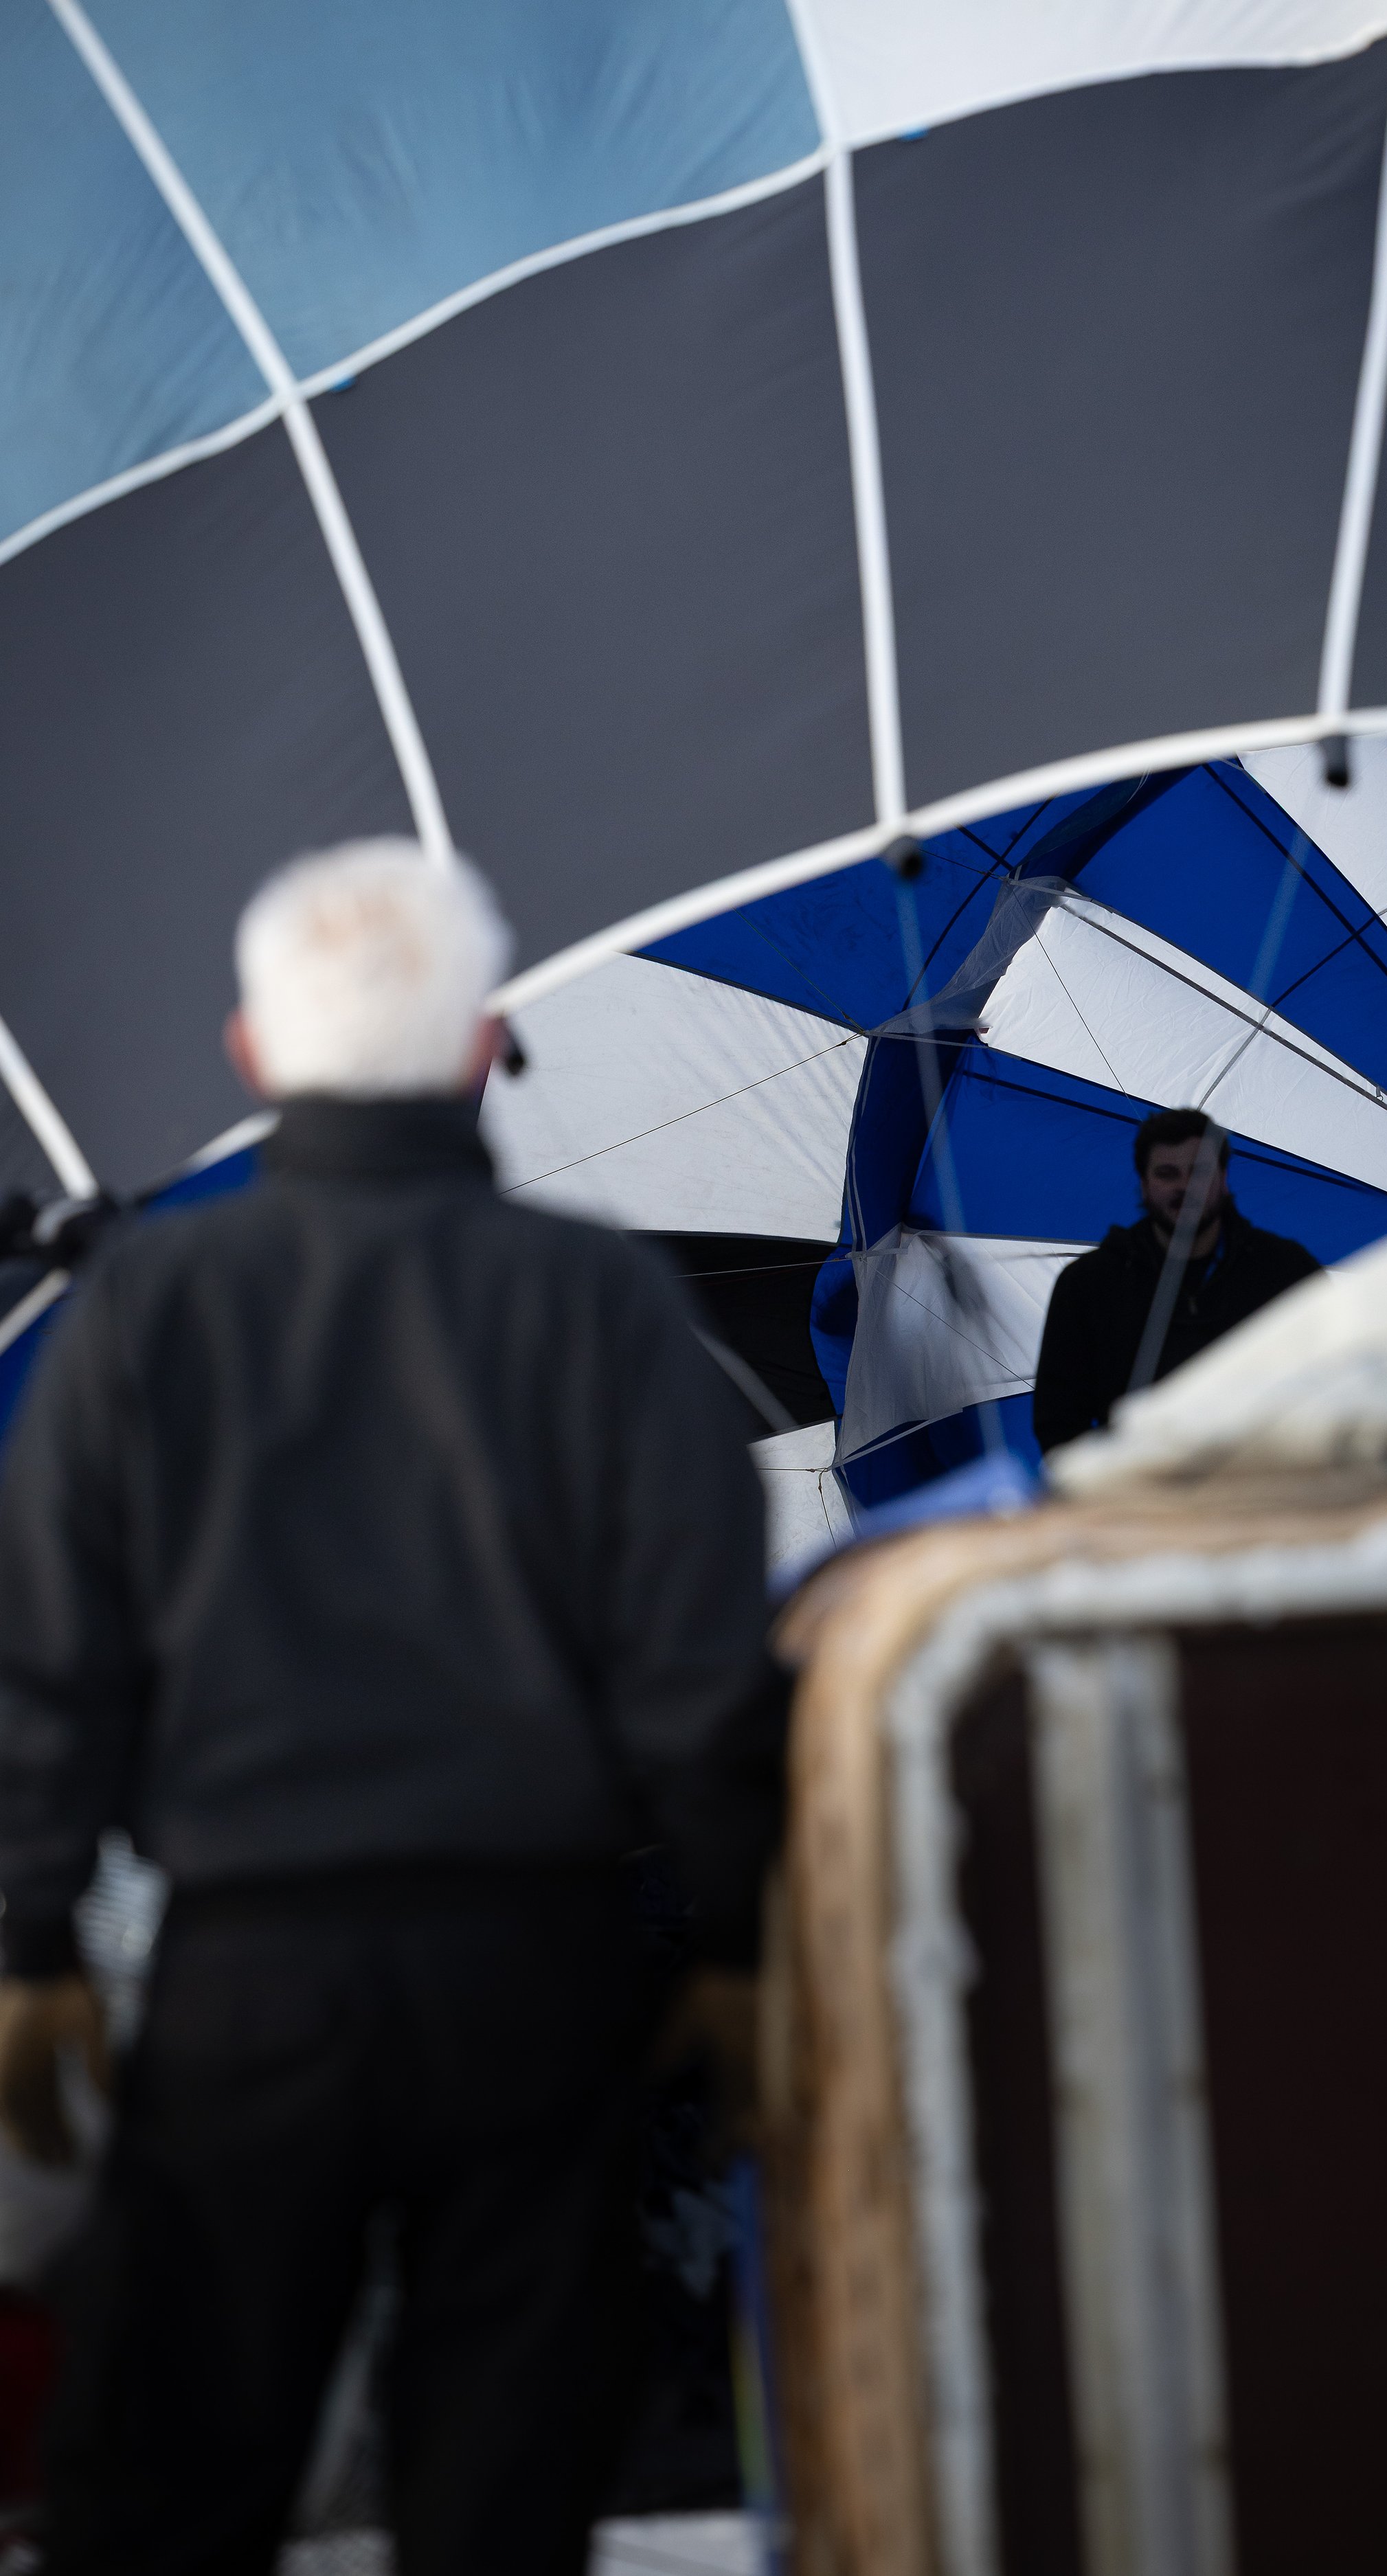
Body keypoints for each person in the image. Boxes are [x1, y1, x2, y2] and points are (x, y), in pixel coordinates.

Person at [0, 841, 782, 2575]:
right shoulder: (605, 1302)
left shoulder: (142, 1309)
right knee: (502, 2483)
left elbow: (54, 1656)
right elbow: (702, 1665)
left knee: (168, 2482)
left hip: (245, 1978)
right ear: (482, 1043)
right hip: (540, 1975)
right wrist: (736, 1940)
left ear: (252, 1052)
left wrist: (37, 1935)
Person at [1033, 1107, 1319, 1456]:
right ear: (1144, 1183)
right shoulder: (1088, 1286)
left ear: (1224, 1178)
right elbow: (1059, 1427)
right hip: (1145, 1497)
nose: (1185, 1187)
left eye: (1199, 1173)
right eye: (1168, 1174)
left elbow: (1336, 1382)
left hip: (1270, 1488)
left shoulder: (1286, 1270)